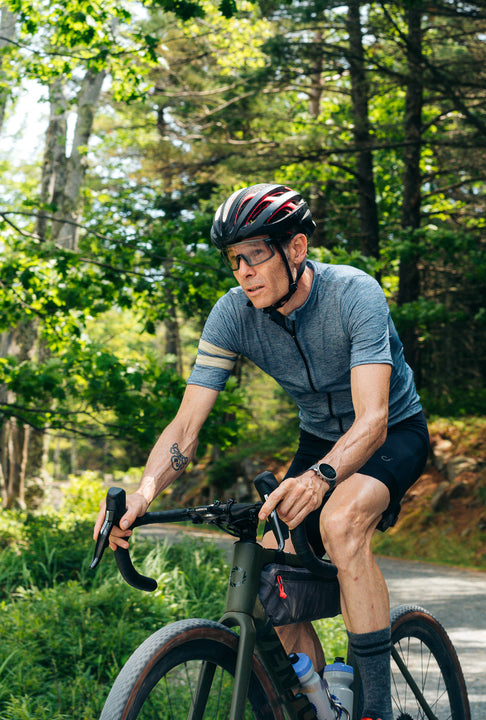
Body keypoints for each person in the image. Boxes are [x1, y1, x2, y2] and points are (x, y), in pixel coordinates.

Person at [92, 183, 429, 720]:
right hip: (319, 439)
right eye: (234, 260)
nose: (243, 272)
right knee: (274, 570)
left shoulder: (353, 293)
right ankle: (322, 702)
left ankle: (378, 710)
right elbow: (186, 424)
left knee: (341, 522)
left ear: (296, 248)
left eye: (255, 255)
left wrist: (320, 480)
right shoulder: (232, 315)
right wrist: (144, 491)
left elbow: (373, 419)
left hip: (392, 432)